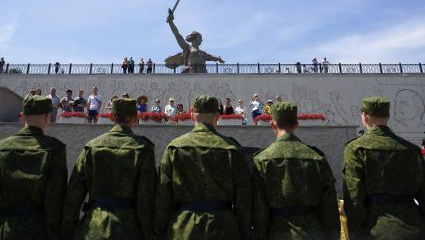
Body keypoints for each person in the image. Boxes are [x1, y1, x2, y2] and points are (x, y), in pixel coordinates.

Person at [155, 95, 252, 239]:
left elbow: (163, 193)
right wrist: (244, 231)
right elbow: (244, 197)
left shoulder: (174, 147)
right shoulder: (232, 148)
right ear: (217, 117)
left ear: (192, 116)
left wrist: (159, 229)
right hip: (223, 228)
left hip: (183, 227)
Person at [62, 98, 156, 240]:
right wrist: (149, 232)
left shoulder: (92, 146)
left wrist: (68, 230)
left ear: (111, 117)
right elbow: (146, 197)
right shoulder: (143, 148)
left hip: (93, 225)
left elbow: (74, 194)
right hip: (129, 228)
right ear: (136, 118)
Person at [252, 102, 340, 239]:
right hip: (312, 233)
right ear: (296, 124)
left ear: (273, 125)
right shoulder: (316, 158)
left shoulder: (261, 160)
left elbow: (259, 210)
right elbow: (329, 208)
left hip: (277, 232)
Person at [343, 97, 425, 240]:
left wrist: (355, 232)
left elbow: (354, 196)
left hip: (375, 229)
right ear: (387, 117)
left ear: (365, 117)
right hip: (413, 228)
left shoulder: (356, 148)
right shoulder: (412, 150)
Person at [0, 95, 68, 240]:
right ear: (47, 117)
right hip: (39, 229)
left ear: (23, 116)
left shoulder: (2, 148)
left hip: (6, 229)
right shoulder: (55, 149)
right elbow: (54, 199)